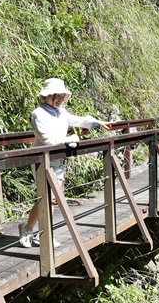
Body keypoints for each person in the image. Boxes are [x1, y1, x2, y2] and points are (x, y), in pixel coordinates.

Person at [19, 78, 112, 248]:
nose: (61, 97)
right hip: (42, 161)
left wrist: (97, 123)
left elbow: (79, 120)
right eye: (58, 94)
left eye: (63, 94)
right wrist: (72, 138)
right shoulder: (38, 114)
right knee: (48, 198)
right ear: (48, 95)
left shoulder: (61, 113)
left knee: (52, 200)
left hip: (58, 162)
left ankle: (41, 232)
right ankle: (29, 229)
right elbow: (49, 141)